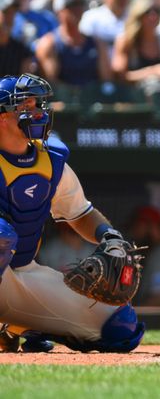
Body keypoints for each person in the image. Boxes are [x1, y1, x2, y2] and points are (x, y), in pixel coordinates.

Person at [0, 74, 145, 353]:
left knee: (120, 328)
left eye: (38, 104)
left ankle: (16, 324)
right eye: (26, 106)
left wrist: (110, 237)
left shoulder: (49, 160)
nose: (37, 112)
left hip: (24, 273)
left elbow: (80, 213)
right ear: (2, 116)